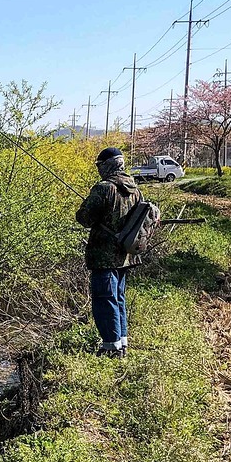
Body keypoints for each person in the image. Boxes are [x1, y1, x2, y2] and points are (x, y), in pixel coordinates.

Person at [75, 146, 142, 357]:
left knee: (105, 299)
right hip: (125, 255)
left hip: (104, 256)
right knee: (118, 298)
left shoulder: (104, 188)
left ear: (107, 165)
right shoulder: (135, 189)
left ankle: (111, 347)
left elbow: (84, 219)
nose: (98, 169)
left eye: (100, 166)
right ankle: (122, 342)